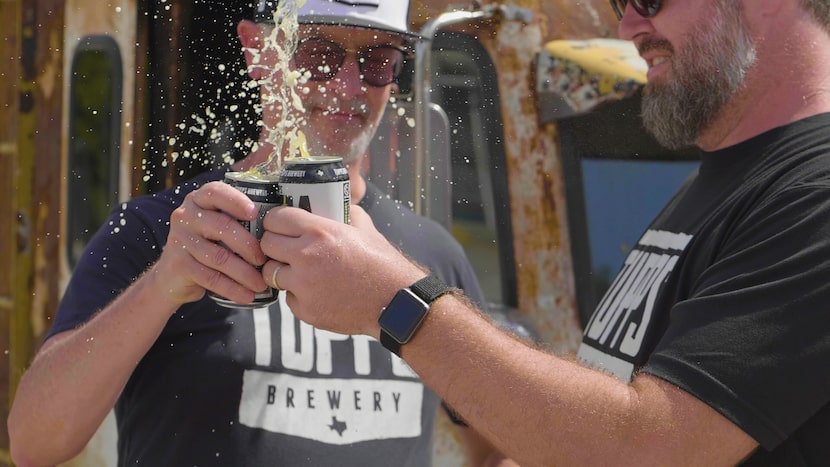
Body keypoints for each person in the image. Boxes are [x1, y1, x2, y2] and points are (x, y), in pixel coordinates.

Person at [252, 0, 830, 465]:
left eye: (649, 0)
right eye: (621, 2)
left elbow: (654, 451)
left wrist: (395, 302)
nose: (627, 25)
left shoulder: (814, 195)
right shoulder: (723, 183)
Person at [7, 1, 513, 466]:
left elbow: (499, 447)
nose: (350, 85)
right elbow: (34, 440)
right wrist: (161, 285)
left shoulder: (432, 255)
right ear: (257, 51)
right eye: (318, 54)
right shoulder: (160, 231)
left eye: (380, 60)